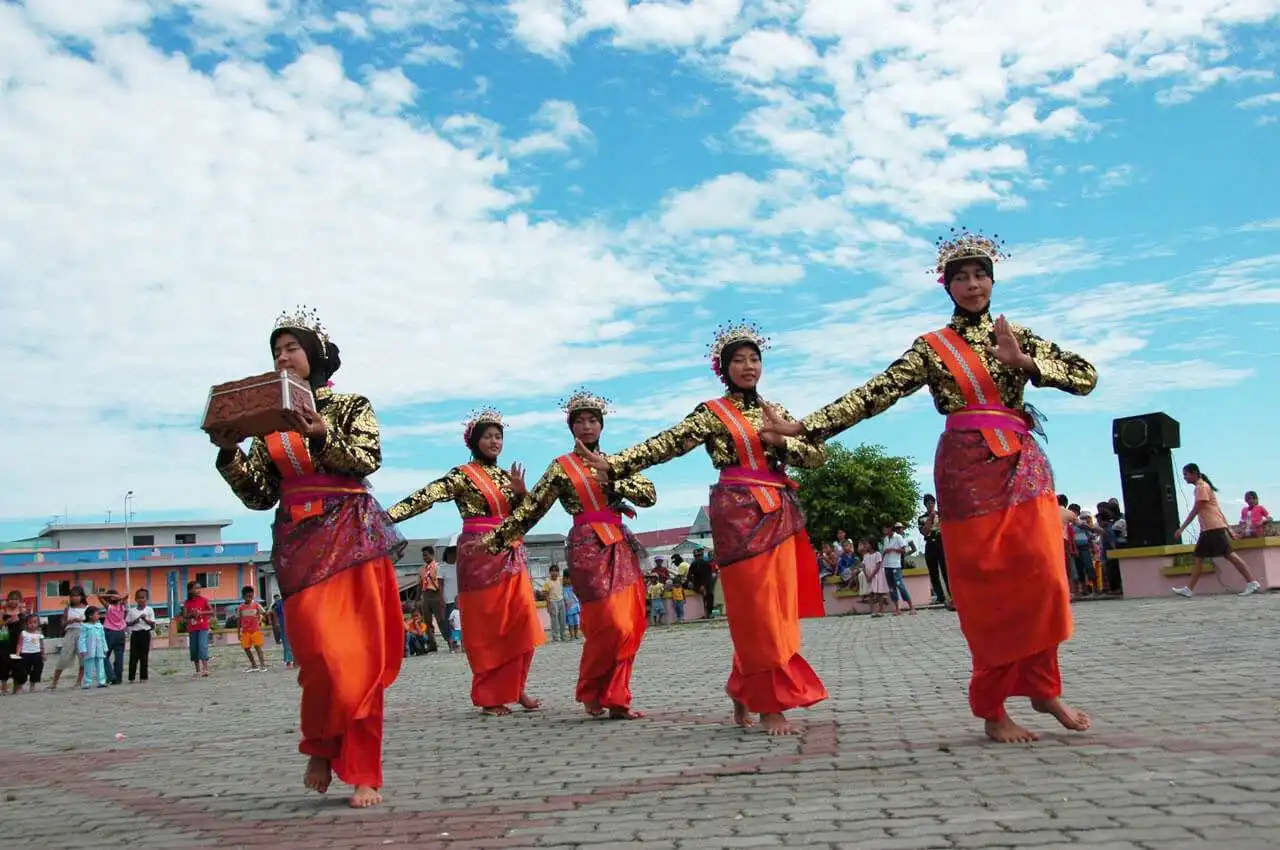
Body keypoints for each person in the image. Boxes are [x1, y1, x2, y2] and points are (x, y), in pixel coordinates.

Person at [763, 229, 1097, 744]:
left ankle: (1042, 686)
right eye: (960, 277)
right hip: (967, 467)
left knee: (1044, 575)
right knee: (985, 586)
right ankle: (993, 708)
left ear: (992, 280)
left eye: (980, 274)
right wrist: (804, 428)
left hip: (1022, 464)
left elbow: (1086, 375)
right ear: (947, 287)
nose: (972, 284)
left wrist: (1027, 365)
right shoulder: (931, 348)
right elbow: (872, 394)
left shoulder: (1019, 335)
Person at [578, 322, 828, 735]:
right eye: (739, 360)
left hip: (779, 512)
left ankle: (742, 684)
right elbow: (667, 443)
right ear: (723, 368)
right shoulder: (712, 414)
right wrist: (619, 466)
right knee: (757, 610)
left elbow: (815, 455)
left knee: (780, 609)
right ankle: (769, 703)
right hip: (737, 514)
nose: (748, 366)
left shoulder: (776, 411)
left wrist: (782, 441)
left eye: (754, 359)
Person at [209, 306, 406, 809]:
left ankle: (364, 770)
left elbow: (367, 458)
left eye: (290, 348)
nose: (282, 356)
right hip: (299, 543)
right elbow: (258, 494)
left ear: (313, 356)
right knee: (319, 656)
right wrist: (229, 451)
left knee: (357, 658)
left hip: (352, 537)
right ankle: (321, 743)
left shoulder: (351, 405)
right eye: (275, 351)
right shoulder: (268, 427)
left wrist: (321, 433)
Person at [475, 389, 657, 719]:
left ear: (601, 426)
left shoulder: (616, 461)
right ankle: (591, 688)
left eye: (592, 421)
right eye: (580, 421)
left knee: (630, 623)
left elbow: (649, 495)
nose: (587, 427)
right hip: (587, 547)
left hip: (620, 544)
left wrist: (613, 475)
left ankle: (616, 697)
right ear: (571, 427)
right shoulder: (561, 468)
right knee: (609, 623)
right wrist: (496, 540)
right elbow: (532, 509)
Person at [388, 407, 544, 717]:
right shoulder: (462, 475)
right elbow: (429, 495)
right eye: (488, 436)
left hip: (511, 552)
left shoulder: (506, 477)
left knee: (522, 622)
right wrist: (387, 517)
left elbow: (525, 517)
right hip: (479, 552)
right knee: (488, 626)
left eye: (499, 437)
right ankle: (490, 695)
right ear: (474, 441)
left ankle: (516, 687)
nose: (495, 442)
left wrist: (522, 494)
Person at [1171, 464, 1261, 598]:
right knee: (1200, 558)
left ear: (1194, 473)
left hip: (1213, 529)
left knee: (1230, 555)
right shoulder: (1202, 487)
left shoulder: (1201, 487)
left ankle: (1252, 582)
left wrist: (1182, 528)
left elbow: (1196, 510)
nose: (1184, 477)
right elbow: (1217, 510)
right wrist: (1229, 529)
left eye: (1186, 474)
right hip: (1209, 529)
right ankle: (1188, 589)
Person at [47, 585, 88, 691]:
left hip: (83, 633)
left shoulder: (87, 608)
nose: (74, 598)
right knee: (64, 657)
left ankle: (79, 681)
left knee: (82, 658)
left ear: (82, 596)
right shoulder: (68, 609)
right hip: (70, 633)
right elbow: (62, 623)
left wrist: (81, 621)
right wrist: (68, 621)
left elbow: (91, 621)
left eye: (76, 596)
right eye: (72, 596)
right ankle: (54, 682)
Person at [418, 546, 455, 652]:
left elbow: (442, 583)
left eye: (426, 555)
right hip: (425, 595)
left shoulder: (439, 567)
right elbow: (419, 584)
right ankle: (432, 644)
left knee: (441, 620)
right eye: (423, 555)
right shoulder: (421, 569)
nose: (424, 557)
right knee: (427, 621)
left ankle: (449, 641)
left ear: (432, 555)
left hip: (436, 594)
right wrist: (417, 599)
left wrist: (442, 597)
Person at [918, 495, 952, 608]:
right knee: (933, 571)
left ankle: (951, 594)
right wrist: (931, 517)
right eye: (928, 503)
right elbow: (924, 531)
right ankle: (940, 596)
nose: (930, 505)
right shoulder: (922, 518)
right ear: (925, 505)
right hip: (930, 544)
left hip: (941, 544)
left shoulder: (941, 515)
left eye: (932, 502)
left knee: (945, 570)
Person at [881, 522, 915, 615]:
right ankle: (897, 609)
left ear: (890, 529)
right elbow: (884, 551)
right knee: (891, 587)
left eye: (885, 529)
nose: (884, 531)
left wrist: (892, 549)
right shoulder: (886, 539)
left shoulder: (898, 537)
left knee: (900, 585)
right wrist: (881, 561)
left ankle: (911, 607)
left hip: (895, 565)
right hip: (887, 565)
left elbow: (904, 550)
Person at [182, 582, 214, 678]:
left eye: (200, 588)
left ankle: (205, 669)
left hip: (203, 627)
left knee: (202, 646)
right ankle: (197, 670)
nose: (198, 590)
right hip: (192, 628)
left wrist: (201, 612)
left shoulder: (204, 600)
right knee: (194, 648)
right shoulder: (187, 603)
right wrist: (192, 614)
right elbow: (184, 616)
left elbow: (212, 611)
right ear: (190, 590)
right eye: (196, 588)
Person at [99, 589, 129, 686]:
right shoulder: (122, 606)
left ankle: (111, 676)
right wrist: (118, 596)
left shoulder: (109, 607)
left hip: (109, 632)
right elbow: (126, 595)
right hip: (120, 633)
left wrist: (109, 595)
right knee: (119, 656)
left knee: (104, 655)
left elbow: (99, 596)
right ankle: (118, 678)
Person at [126, 588, 156, 684]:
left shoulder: (149, 610)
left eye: (143, 598)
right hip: (135, 634)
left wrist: (145, 619)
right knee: (133, 656)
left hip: (145, 633)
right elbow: (127, 623)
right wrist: (135, 621)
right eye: (139, 598)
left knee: (144, 656)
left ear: (147, 599)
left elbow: (152, 624)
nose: (141, 600)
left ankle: (144, 677)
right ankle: (131, 677)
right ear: (135, 599)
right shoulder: (132, 611)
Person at [236, 586, 269, 672]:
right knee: (246, 648)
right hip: (245, 632)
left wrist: (261, 618)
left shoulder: (256, 605)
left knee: (258, 647)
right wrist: (238, 632)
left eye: (251, 596)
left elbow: (265, 613)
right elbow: (238, 621)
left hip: (255, 631)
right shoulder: (240, 608)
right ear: (243, 596)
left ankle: (263, 665)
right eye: (247, 596)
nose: (249, 598)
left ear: (253, 595)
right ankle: (254, 665)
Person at [13, 614, 45, 694]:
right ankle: (19, 687)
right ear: (26, 624)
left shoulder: (39, 633)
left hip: (37, 654)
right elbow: (19, 644)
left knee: (37, 670)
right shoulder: (23, 633)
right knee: (23, 672)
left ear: (38, 623)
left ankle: (32, 687)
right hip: (25, 655)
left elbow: (41, 645)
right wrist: (17, 654)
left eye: (35, 622)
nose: (32, 624)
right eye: (30, 623)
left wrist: (43, 654)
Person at [78, 607, 108, 690]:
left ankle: (101, 681)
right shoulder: (84, 626)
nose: (98, 615)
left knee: (100, 665)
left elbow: (103, 638)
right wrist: (83, 650)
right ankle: (87, 683)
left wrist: (105, 648)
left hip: (99, 649)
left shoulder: (100, 626)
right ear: (90, 616)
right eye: (97, 614)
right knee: (88, 666)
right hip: (89, 650)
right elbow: (82, 639)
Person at [543, 565, 568, 642]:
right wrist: (548, 605)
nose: (554, 573)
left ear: (558, 572)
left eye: (556, 571)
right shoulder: (547, 582)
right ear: (550, 572)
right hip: (552, 602)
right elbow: (546, 594)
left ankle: (563, 635)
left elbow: (564, 589)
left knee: (563, 619)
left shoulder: (560, 580)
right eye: (552, 571)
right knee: (555, 620)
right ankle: (555, 636)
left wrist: (566, 601)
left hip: (561, 600)